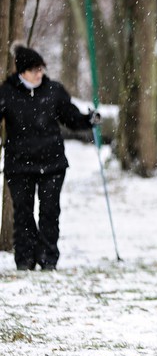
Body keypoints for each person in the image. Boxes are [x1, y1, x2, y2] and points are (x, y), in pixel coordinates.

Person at [0, 43, 99, 271]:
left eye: (41, 69)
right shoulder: (7, 93)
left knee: (50, 212)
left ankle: (48, 258)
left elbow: (70, 117)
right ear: (22, 71)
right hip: (19, 165)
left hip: (52, 163)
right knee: (23, 213)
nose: (39, 74)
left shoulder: (53, 91)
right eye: (35, 70)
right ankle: (25, 258)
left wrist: (88, 120)